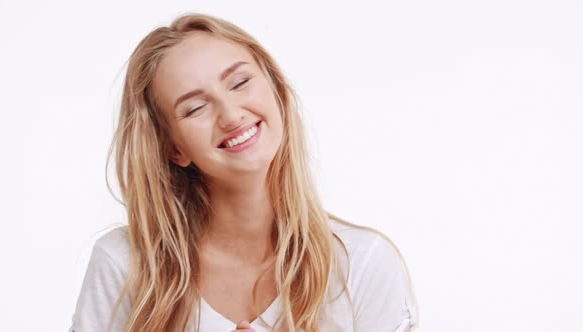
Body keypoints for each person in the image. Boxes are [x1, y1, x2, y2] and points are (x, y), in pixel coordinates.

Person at [69, 13, 418, 332]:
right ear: (174, 149)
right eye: (195, 108)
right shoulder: (123, 263)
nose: (231, 114)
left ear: (277, 92)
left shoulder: (362, 264)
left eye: (239, 83)